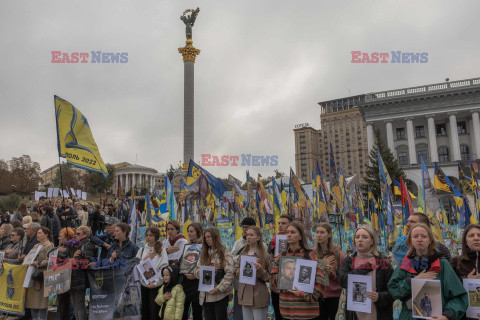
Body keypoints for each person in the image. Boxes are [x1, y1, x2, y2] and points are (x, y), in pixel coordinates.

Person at [388, 223, 468, 320]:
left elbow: (459, 297)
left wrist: (447, 315)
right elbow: (394, 290)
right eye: (415, 236)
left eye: (424, 236)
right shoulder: (406, 262)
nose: (419, 239)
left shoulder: (442, 264)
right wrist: (412, 281)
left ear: (430, 240)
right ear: (410, 240)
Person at [271, 221, 326, 320]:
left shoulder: (309, 255)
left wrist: (305, 295)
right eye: (287, 232)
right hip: (286, 311)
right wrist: (282, 282)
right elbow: (272, 278)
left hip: (306, 312)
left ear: (300, 236)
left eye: (293, 232)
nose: (289, 235)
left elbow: (320, 279)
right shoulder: (281, 257)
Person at [338, 226, 394, 320]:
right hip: (354, 314)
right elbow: (342, 280)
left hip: (378, 313)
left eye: (364, 237)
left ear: (372, 241)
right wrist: (362, 269)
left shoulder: (382, 260)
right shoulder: (349, 260)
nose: (360, 240)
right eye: (357, 237)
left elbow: (392, 290)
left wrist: (379, 297)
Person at [194, 227, 234, 320]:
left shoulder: (224, 252)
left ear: (215, 237)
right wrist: (208, 270)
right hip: (205, 295)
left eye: (209, 237)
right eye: (205, 237)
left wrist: (219, 289)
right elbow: (196, 271)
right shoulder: (204, 253)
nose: (207, 239)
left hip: (220, 295)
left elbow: (230, 273)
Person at [234, 225, 270, 320]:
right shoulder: (242, 253)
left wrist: (259, 269)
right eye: (247, 235)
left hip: (258, 295)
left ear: (258, 237)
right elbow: (235, 271)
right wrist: (241, 271)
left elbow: (268, 277)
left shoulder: (265, 255)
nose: (248, 237)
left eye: (251, 235)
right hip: (244, 293)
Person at [314, 223, 345, 320]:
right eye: (317, 232)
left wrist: (332, 273)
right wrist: (320, 265)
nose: (319, 235)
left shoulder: (338, 253)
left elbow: (344, 277)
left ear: (329, 234)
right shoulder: (312, 253)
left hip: (334, 296)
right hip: (318, 295)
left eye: (322, 232)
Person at [137, 227, 168, 320]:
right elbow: (136, 267)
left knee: (154, 313)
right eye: (146, 235)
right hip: (144, 286)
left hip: (156, 287)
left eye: (151, 235)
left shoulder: (162, 250)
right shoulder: (142, 250)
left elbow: (163, 268)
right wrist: (144, 259)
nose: (148, 237)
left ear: (156, 236)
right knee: (145, 312)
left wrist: (155, 283)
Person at [25, 227, 55, 320]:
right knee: (32, 304)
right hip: (32, 275)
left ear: (46, 234)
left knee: (42, 303)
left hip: (42, 276)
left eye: (40, 233)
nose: (38, 235)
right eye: (37, 233)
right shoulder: (35, 246)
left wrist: (36, 263)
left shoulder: (49, 245)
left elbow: (49, 260)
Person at [231, 217, 257, 320]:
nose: (245, 230)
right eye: (243, 227)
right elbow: (231, 259)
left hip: (254, 286)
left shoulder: (261, 245)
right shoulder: (238, 243)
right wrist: (242, 258)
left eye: (247, 227)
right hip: (239, 285)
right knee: (239, 314)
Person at [268, 214, 293, 320]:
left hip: (291, 287)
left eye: (284, 223)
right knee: (278, 314)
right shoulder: (273, 241)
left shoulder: (296, 243)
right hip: (276, 286)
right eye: (279, 223)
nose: (280, 225)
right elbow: (268, 262)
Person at [70, 226, 96, 320]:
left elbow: (87, 262)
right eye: (75, 233)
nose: (76, 235)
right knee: (75, 304)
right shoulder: (80, 244)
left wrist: (72, 261)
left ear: (85, 234)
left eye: (78, 234)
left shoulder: (87, 244)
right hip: (75, 278)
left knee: (79, 304)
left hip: (80, 279)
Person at [51, 227, 75, 320]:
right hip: (59, 277)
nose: (58, 238)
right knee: (60, 302)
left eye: (60, 236)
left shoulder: (72, 247)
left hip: (68, 277)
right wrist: (57, 250)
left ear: (67, 237)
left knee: (68, 302)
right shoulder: (59, 247)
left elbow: (71, 261)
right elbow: (49, 254)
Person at [182, 222, 204, 320]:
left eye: (192, 231)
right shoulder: (187, 246)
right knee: (183, 311)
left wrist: (195, 275)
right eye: (188, 232)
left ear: (198, 232)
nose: (189, 234)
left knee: (197, 311)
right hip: (186, 281)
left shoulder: (204, 247)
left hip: (197, 282)